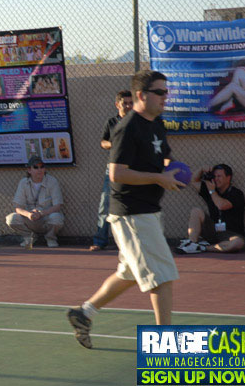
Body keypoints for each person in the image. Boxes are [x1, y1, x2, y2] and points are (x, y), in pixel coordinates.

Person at [66, 70, 183, 349]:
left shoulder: (156, 124)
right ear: (141, 95)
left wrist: (180, 173)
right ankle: (165, 345)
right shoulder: (127, 128)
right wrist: (157, 178)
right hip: (132, 214)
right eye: (160, 92)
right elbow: (117, 173)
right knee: (162, 278)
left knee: (129, 273)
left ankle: (84, 313)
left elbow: (164, 159)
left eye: (167, 92)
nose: (165, 97)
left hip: (147, 211)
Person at [90, 90, 133, 251]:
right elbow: (103, 142)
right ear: (118, 104)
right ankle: (100, 240)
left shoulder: (137, 122)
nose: (128, 106)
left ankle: (130, 242)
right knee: (105, 204)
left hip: (134, 169)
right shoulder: (111, 122)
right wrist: (114, 144)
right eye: (125, 103)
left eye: (131, 103)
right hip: (114, 169)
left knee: (134, 204)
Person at [176, 164, 245, 254]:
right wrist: (201, 169)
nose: (216, 179)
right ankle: (192, 243)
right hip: (213, 231)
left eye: (219, 176)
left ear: (228, 178)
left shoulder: (236, 193)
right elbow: (193, 180)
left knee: (237, 243)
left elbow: (221, 205)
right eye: (214, 176)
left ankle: (203, 248)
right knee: (196, 211)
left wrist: (212, 191)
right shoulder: (210, 190)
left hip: (231, 234)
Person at [5, 155, 64, 249]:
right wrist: (28, 214)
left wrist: (42, 213)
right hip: (30, 218)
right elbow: (17, 207)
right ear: (29, 170)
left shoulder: (52, 181)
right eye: (36, 167)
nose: (40, 170)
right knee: (11, 219)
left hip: (45, 217)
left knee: (57, 217)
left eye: (42, 167)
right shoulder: (23, 183)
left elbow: (58, 206)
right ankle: (29, 237)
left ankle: (50, 238)